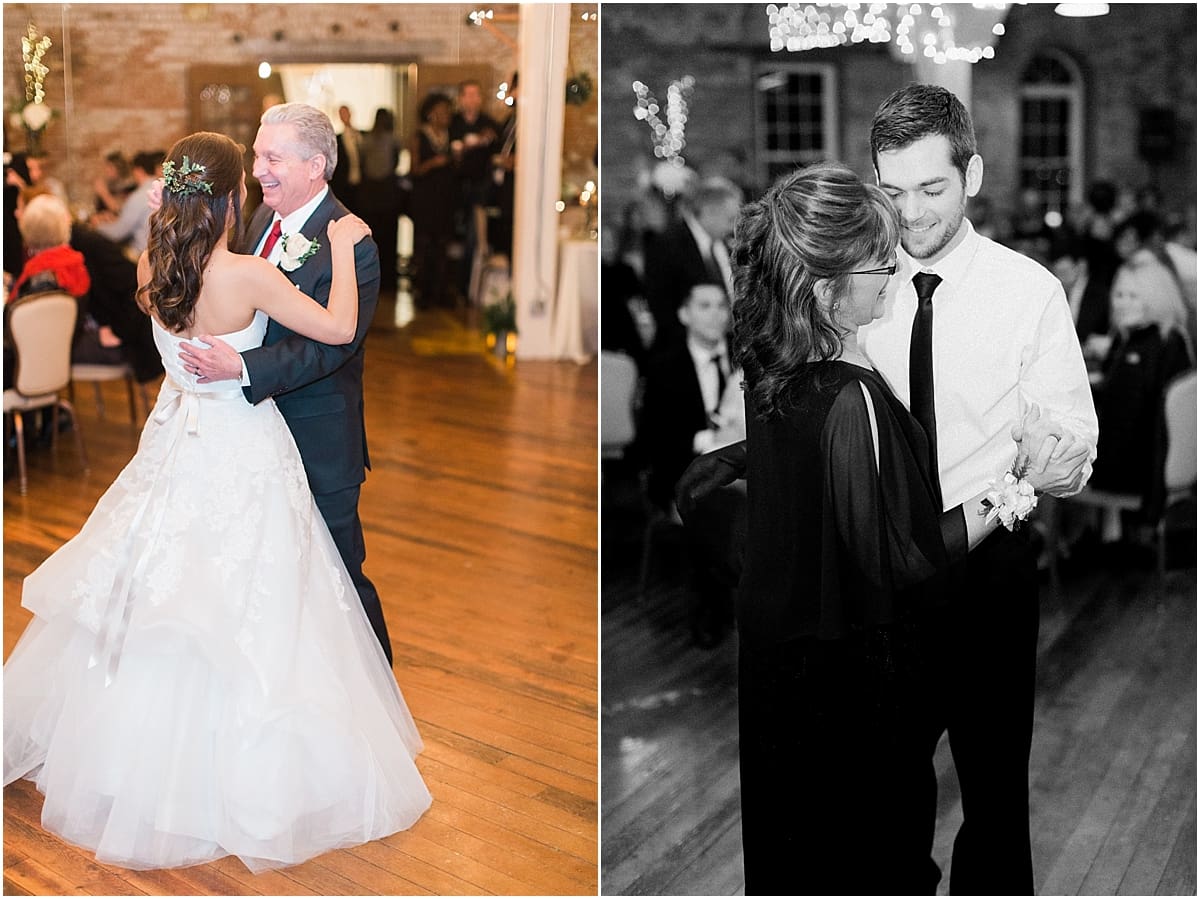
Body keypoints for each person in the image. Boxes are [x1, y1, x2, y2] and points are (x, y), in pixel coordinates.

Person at [679, 84, 1098, 894]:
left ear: (972, 175)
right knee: (884, 799)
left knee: (995, 797)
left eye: (931, 188)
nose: (909, 213)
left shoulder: (1028, 292)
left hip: (984, 576)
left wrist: (1054, 464)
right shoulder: (849, 273)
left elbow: (1074, 440)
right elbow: (813, 418)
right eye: (892, 189)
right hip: (871, 598)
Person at [3, 130, 432, 871]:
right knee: (259, 595)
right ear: (231, 198)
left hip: (178, 441)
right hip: (242, 445)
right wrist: (349, 246)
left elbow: (174, 316)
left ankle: (130, 756)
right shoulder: (246, 274)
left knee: (164, 591)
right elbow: (338, 327)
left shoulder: (151, 264)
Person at [171, 103, 395, 668]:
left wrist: (244, 368)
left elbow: (335, 345)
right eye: (256, 156)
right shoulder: (255, 224)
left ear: (316, 165)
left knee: (339, 577)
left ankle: (377, 694)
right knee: (270, 576)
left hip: (317, 438)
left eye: (273, 158)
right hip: (252, 439)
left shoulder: (352, 242)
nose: (258, 170)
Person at [639, 281, 745, 647]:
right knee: (713, 504)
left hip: (741, 471)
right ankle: (712, 610)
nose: (717, 314)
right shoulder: (663, 367)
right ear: (684, 314)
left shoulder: (745, 357)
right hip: (681, 474)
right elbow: (654, 443)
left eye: (721, 305)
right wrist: (706, 443)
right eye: (705, 306)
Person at [1089, 259, 1193, 533]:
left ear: (1157, 297)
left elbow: (1155, 424)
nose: (1122, 303)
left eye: (1133, 296)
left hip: (1143, 473)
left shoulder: (1163, 344)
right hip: (1131, 462)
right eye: (1119, 294)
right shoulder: (1133, 339)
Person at [641, 177, 742, 348]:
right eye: (730, 219)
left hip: (728, 349)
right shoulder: (666, 245)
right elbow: (662, 308)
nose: (733, 227)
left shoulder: (727, 247)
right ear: (709, 212)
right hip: (681, 350)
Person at [408, 93, 457, 309]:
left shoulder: (450, 136)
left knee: (443, 245)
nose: (446, 115)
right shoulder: (420, 136)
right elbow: (414, 169)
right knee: (424, 244)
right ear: (431, 114)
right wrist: (434, 164)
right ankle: (423, 290)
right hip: (425, 200)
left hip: (445, 199)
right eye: (442, 111)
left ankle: (441, 290)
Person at [358, 108, 401, 294]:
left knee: (372, 235)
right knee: (388, 237)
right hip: (386, 192)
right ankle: (388, 280)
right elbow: (394, 163)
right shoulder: (393, 140)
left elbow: (363, 164)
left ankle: (371, 277)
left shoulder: (366, 140)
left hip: (370, 193)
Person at [96, 150, 164, 256]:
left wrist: (97, 226)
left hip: (142, 253)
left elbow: (118, 233)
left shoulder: (140, 195)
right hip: (160, 250)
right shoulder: (162, 189)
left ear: (138, 171)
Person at [331, 104, 364, 214]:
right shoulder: (337, 139)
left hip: (363, 184)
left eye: (346, 113)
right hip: (345, 185)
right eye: (342, 114)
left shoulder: (361, 135)